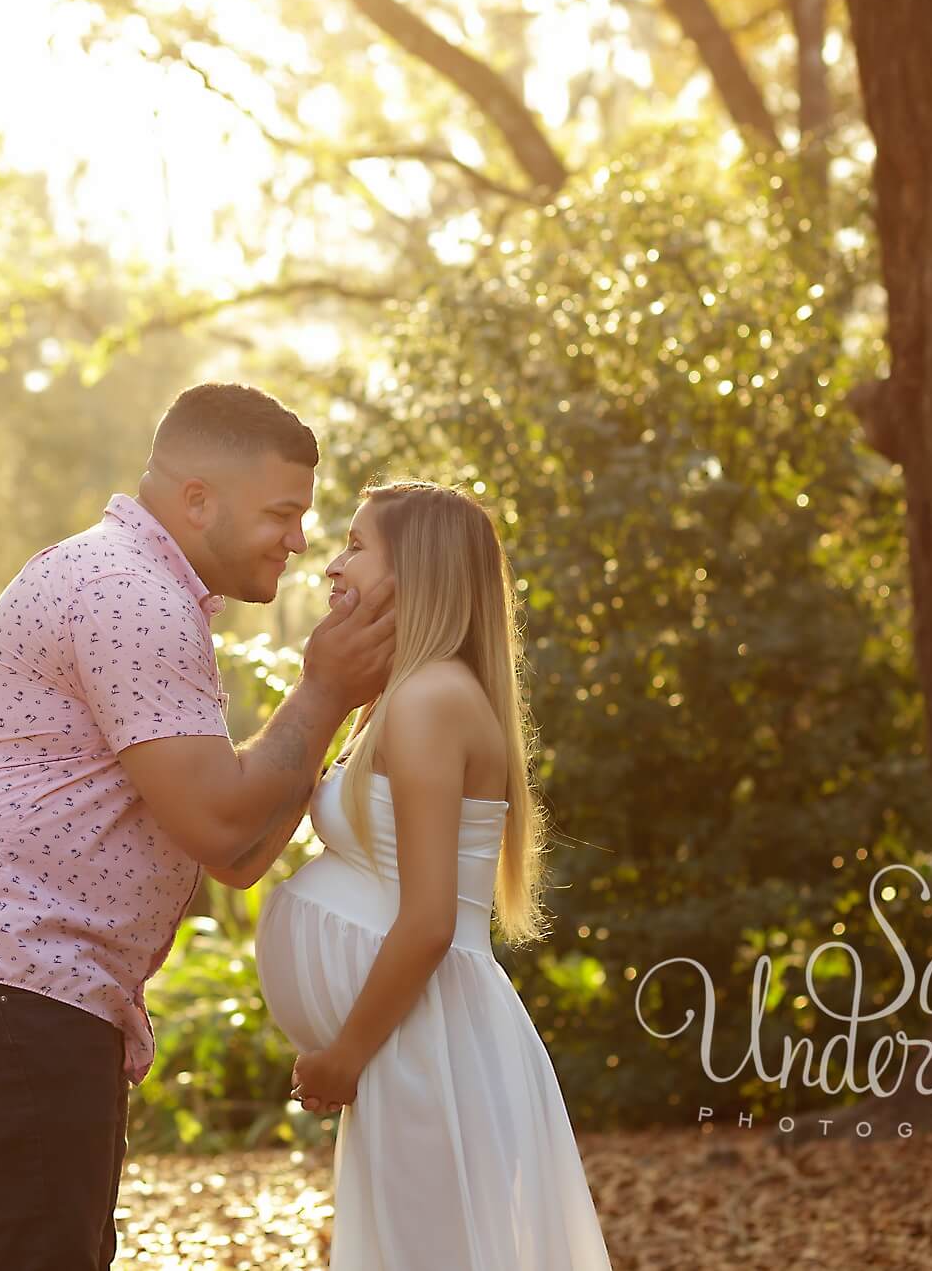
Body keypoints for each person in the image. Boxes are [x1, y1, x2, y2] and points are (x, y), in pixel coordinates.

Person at [0, 382, 397, 1270]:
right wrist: (326, 688)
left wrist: (333, 704)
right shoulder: (128, 592)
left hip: (28, 980)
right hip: (10, 968)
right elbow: (224, 816)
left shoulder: (138, 585)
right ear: (198, 499)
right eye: (282, 512)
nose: (300, 540)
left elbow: (236, 852)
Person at [230, 479, 614, 1270]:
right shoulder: (399, 697)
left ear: (420, 571)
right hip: (410, 1041)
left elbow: (431, 916)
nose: (333, 563)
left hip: (423, 1040)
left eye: (357, 545)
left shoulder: (432, 698)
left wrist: (345, 1053)